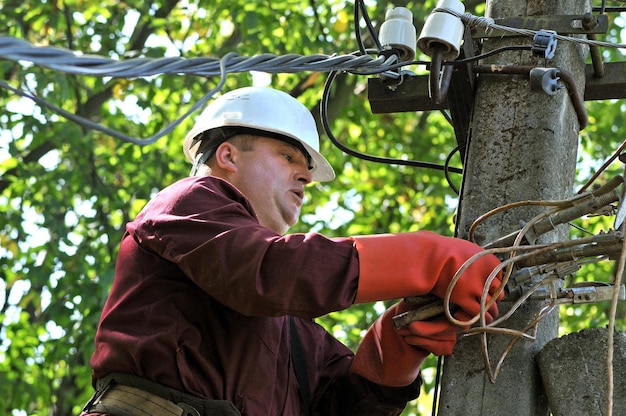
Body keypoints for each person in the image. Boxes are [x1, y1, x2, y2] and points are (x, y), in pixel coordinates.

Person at [80, 86, 503, 416]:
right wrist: (424, 258)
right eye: (287, 157)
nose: (305, 176)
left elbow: (347, 406)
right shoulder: (188, 203)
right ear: (227, 155)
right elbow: (271, 271)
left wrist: (400, 340)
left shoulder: (290, 330)